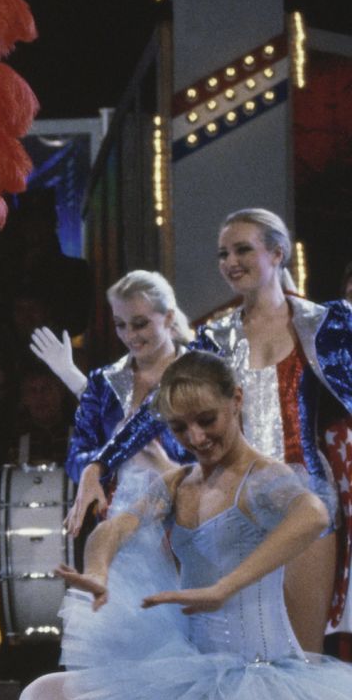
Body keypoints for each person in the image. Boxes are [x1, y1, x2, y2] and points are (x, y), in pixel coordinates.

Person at [3, 351, 352, 700]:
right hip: (188, 675)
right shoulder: (176, 484)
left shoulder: (265, 479)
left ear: (236, 401)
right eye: (180, 427)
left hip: (262, 682)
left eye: (206, 420)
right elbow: (115, 527)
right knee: (43, 697)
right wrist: (99, 569)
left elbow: (312, 515)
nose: (195, 437)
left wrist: (225, 586)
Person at [85, 210, 352, 653]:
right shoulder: (216, 337)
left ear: (277, 253)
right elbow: (161, 405)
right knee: (234, 647)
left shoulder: (325, 323)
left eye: (242, 249)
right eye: (223, 254)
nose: (230, 262)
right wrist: (101, 463)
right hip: (236, 498)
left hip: (304, 493)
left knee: (303, 656)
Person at [44, 272, 213, 700]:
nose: (132, 334)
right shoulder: (107, 380)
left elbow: (211, 449)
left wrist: (162, 460)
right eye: (121, 324)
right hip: (123, 536)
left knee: (177, 683)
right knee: (129, 681)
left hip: (181, 532)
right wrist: (96, 467)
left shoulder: (196, 372)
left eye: (141, 322)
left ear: (167, 316)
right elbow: (80, 451)